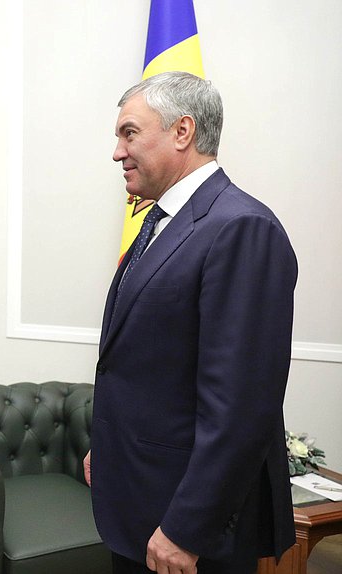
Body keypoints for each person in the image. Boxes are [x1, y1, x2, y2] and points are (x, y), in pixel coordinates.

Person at [84, 71, 297, 574]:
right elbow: (149, 362)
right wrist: (108, 446)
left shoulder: (242, 228)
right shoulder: (162, 220)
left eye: (129, 133)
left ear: (182, 132)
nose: (117, 151)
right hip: (138, 497)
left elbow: (242, 406)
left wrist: (187, 527)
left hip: (184, 526)